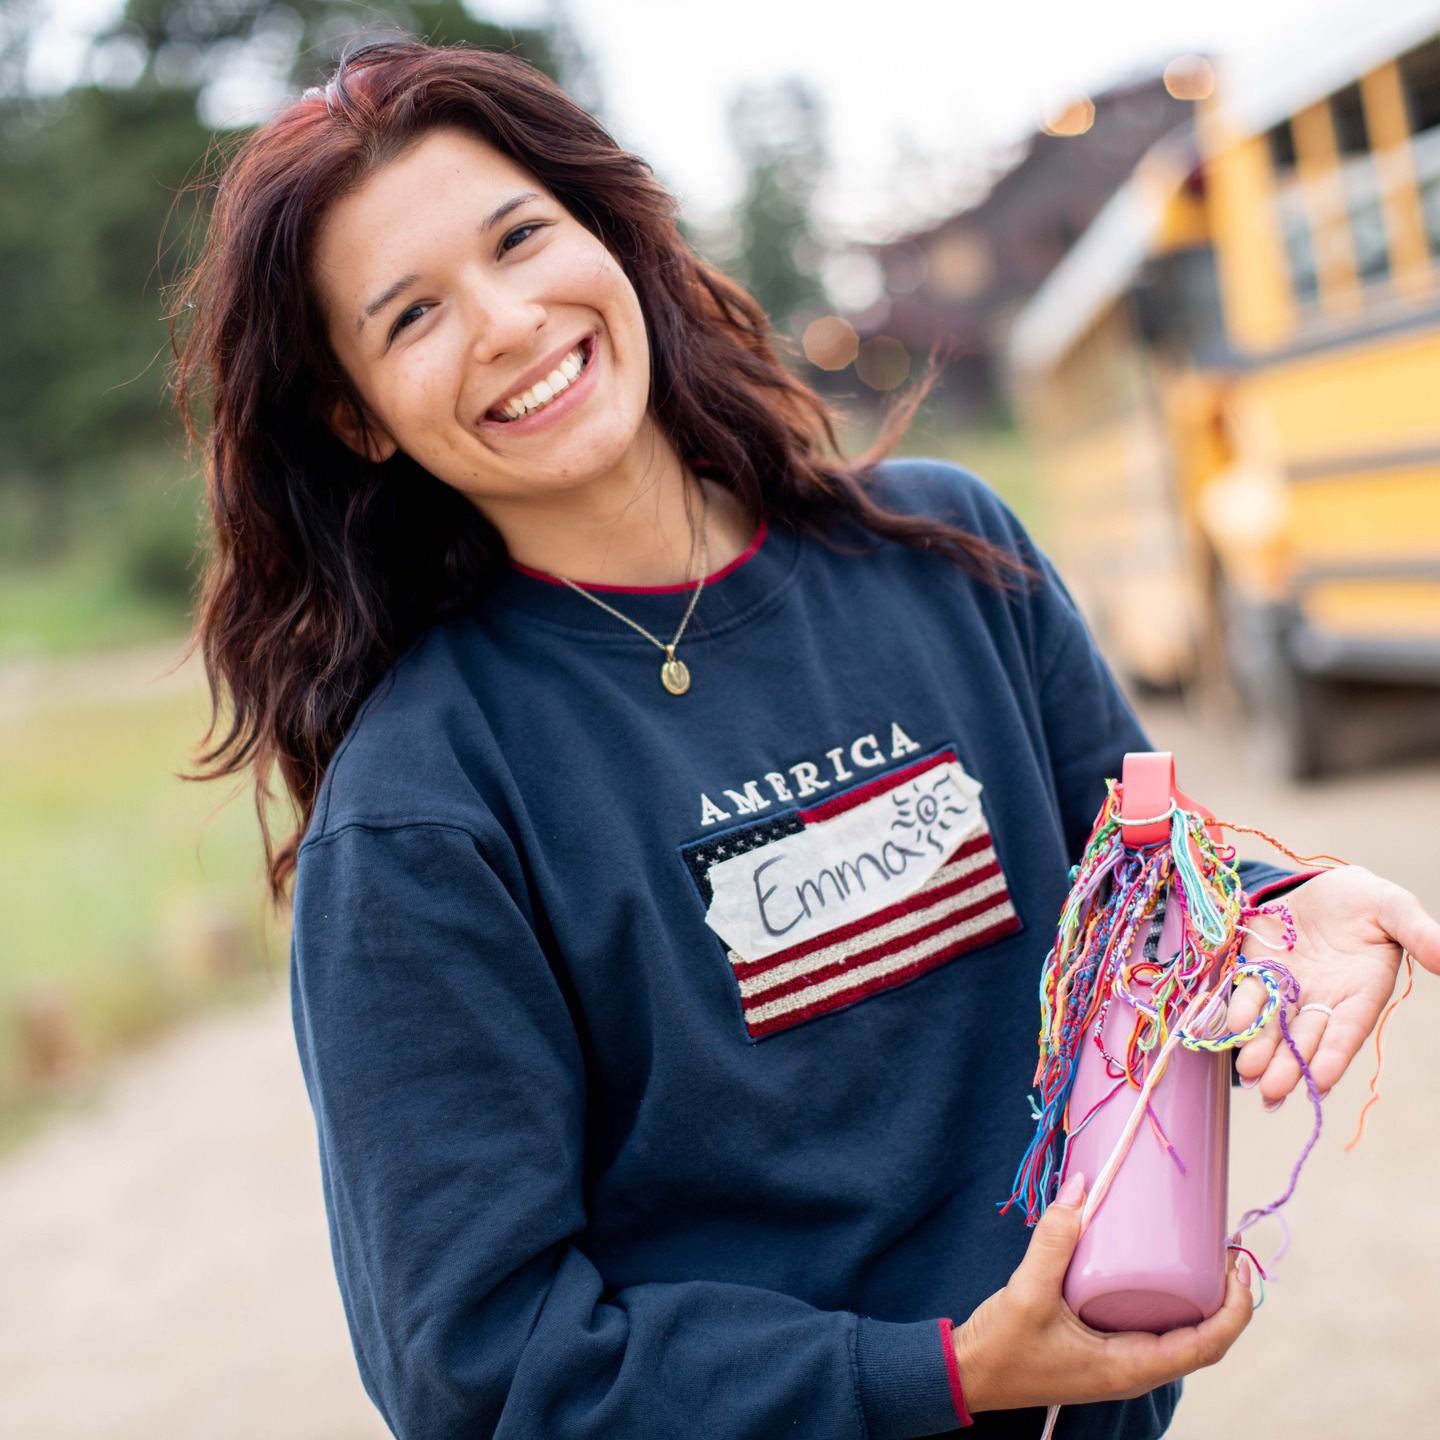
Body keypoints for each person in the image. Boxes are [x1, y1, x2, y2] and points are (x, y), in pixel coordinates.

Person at [176, 39, 1440, 1440]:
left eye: (522, 237)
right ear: (354, 417)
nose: (509, 321)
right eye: (411, 316)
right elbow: (482, 1367)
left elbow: (1134, 891)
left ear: (608, 227)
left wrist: (1275, 909)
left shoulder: (951, 553)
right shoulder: (424, 809)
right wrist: (940, 1377)